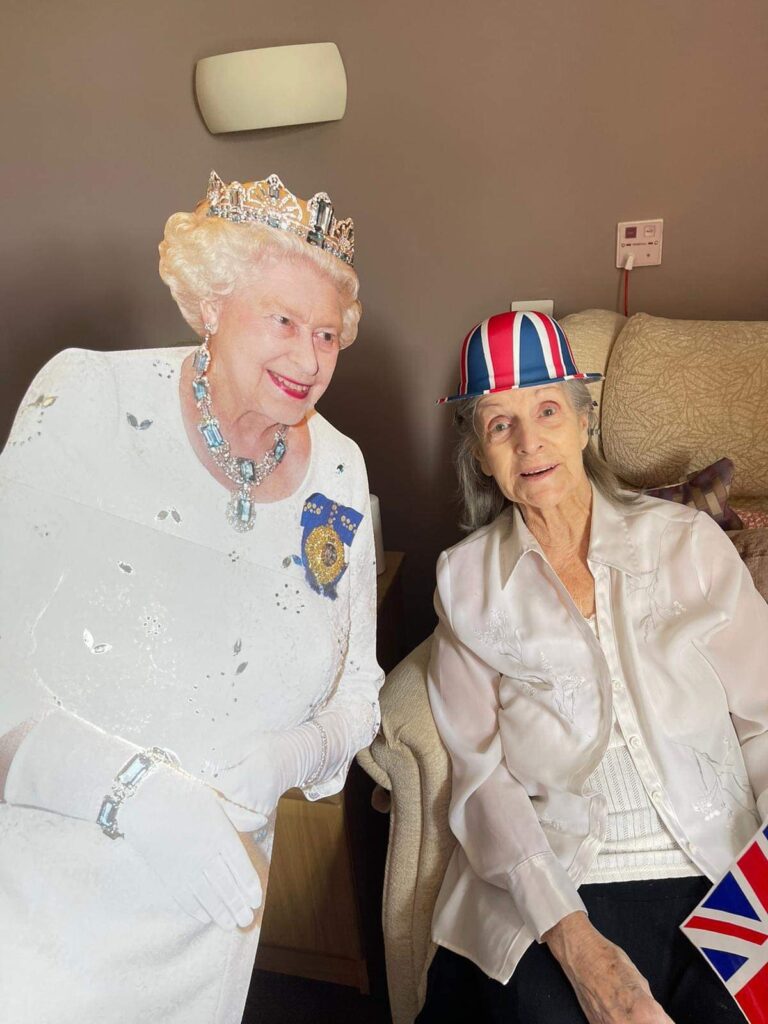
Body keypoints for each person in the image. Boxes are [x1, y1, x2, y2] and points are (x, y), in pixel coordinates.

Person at [0, 171, 383, 1024]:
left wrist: (288, 757)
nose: (308, 358)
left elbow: (358, 691)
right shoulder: (88, 401)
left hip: (213, 908)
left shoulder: (338, 472)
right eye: (282, 321)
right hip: (46, 900)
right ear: (211, 302)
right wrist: (131, 792)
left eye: (327, 333)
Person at [418, 311, 767, 1023]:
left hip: (721, 864)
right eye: (500, 424)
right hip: (559, 884)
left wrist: (759, 895)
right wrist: (575, 943)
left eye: (547, 410)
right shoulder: (465, 583)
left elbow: (765, 721)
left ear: (584, 420)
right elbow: (482, 781)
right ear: (480, 454)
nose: (529, 441)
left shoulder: (689, 544)